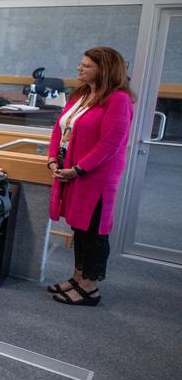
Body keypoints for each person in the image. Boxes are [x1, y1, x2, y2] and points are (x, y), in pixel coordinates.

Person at [45, 47, 135, 306]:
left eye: (87, 65)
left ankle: (89, 288)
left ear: (104, 69)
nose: (79, 68)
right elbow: (59, 129)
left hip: (95, 177)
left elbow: (111, 143)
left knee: (94, 231)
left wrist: (79, 169)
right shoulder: (82, 95)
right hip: (72, 172)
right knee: (79, 228)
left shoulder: (118, 99)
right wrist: (53, 159)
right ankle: (77, 278)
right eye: (81, 64)